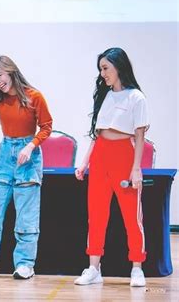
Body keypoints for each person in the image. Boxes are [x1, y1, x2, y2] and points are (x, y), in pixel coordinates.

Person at [0, 56, 53, 279]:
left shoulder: (34, 96)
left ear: (11, 71)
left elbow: (46, 127)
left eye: (0, 76)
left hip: (28, 155)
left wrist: (31, 146)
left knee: (26, 216)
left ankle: (25, 264)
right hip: (5, 154)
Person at [74, 47, 149, 287]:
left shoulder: (136, 97)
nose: (103, 73)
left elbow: (139, 136)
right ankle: (94, 268)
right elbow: (97, 134)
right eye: (101, 69)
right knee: (96, 215)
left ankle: (137, 267)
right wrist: (85, 162)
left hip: (124, 157)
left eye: (105, 68)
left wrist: (136, 168)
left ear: (119, 66)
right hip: (101, 156)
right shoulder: (104, 95)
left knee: (131, 216)